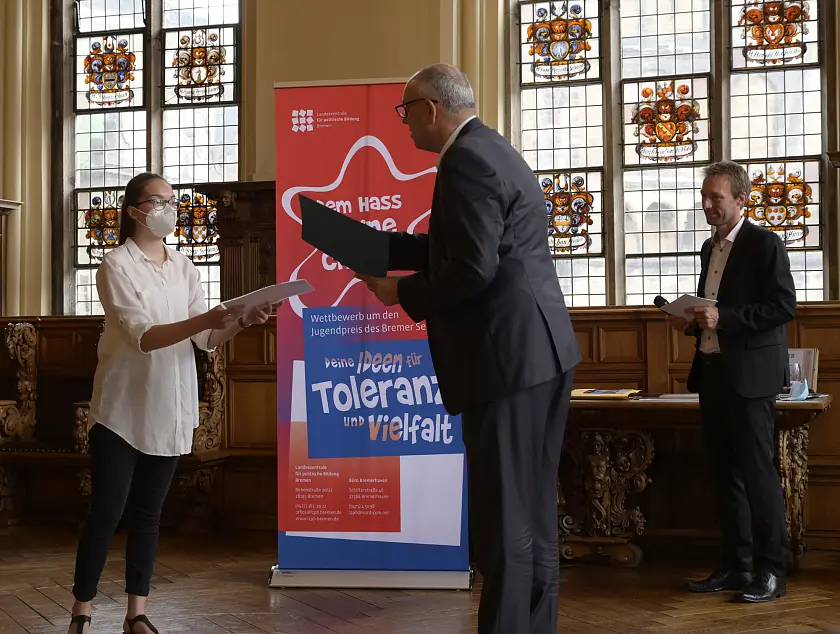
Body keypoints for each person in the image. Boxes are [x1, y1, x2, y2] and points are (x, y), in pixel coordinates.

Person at [357, 64, 581, 634]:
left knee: (504, 517)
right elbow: (474, 243)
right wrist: (388, 248)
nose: (404, 124)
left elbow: (473, 268)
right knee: (533, 511)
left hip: (505, 358)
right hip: (541, 352)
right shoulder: (493, 149)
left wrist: (400, 289)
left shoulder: (465, 160)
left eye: (406, 111)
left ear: (432, 109)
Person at [67, 172, 276, 634]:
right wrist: (205, 317)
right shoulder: (115, 265)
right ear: (134, 210)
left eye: (173, 200)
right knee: (106, 512)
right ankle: (82, 609)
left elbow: (205, 338)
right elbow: (144, 336)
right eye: (158, 201)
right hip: (122, 410)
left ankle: (136, 612)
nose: (168, 208)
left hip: (169, 405)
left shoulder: (185, 267)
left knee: (148, 515)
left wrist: (242, 321)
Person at [666, 160, 796, 603]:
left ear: (741, 199)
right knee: (723, 475)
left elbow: (783, 307)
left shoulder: (765, 244)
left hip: (751, 378)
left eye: (715, 197)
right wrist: (691, 320)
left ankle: (772, 571)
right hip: (714, 372)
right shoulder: (710, 248)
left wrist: (724, 317)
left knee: (759, 476)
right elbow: (714, 309)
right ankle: (736, 565)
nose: (707, 205)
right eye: (704, 197)